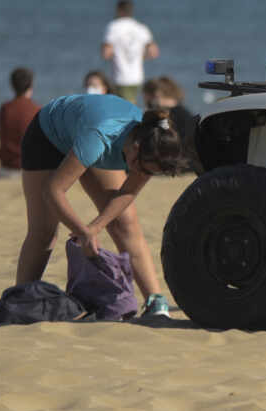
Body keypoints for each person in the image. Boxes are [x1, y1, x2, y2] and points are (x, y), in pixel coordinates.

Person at [15, 93, 195, 318]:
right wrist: (83, 232)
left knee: (125, 222)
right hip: (48, 137)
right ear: (136, 148)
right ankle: (18, 300)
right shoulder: (101, 135)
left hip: (87, 137)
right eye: (143, 169)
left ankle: (155, 303)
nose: (142, 175)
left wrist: (95, 227)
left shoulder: (153, 141)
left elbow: (127, 192)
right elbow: (53, 191)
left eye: (150, 173)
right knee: (44, 232)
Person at [101, 0, 158, 104]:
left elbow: (106, 53)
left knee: (124, 106)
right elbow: (153, 52)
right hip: (137, 76)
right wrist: (140, 57)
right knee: (130, 103)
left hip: (120, 76)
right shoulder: (141, 28)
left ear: (118, 10)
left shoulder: (114, 27)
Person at [0, 67, 40, 179]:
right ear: (31, 85)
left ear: (12, 85)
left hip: (7, 166)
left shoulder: (5, 108)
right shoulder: (36, 109)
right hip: (30, 167)